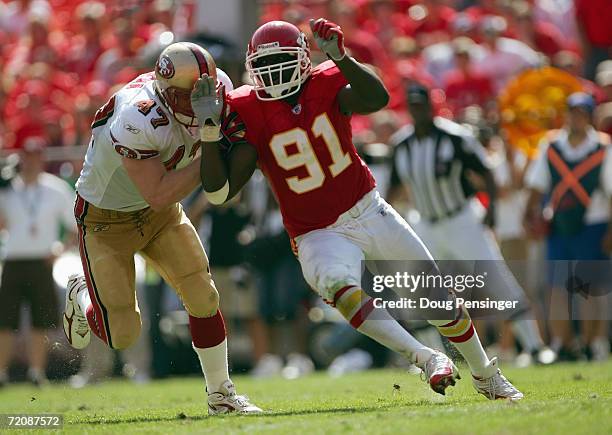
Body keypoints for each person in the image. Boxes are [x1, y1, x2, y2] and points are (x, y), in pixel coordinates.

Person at [197, 19, 523, 400]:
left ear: (304, 59)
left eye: (282, 61)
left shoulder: (326, 80)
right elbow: (220, 193)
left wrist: (341, 57)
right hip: (316, 231)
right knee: (342, 289)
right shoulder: (248, 109)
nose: (274, 72)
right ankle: (425, 357)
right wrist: (207, 127)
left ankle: (485, 373)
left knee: (437, 300)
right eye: (265, 65)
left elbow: (377, 99)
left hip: (367, 207)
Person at [63, 42, 261, 414]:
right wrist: (210, 143)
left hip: (161, 216)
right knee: (123, 334)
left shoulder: (214, 85)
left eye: (205, 93)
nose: (201, 104)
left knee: (204, 295)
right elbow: (159, 192)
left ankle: (221, 395)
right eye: (189, 97)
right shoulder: (136, 116)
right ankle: (83, 294)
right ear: (166, 92)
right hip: (105, 220)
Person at [524, 92, 611, 361]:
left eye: (582, 113)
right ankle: (562, 343)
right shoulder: (551, 145)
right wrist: (529, 215)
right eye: (573, 112)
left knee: (589, 287)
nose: (576, 118)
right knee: (557, 286)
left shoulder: (603, 147)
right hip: (560, 223)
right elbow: (537, 186)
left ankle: (593, 342)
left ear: (590, 117)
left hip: (593, 224)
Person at [0, 137, 76, 387]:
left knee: (40, 321)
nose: (31, 161)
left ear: (42, 158)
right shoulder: (8, 187)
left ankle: (37, 372)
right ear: (21, 158)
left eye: (35, 156)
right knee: (5, 321)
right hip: (13, 258)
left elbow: (74, 227)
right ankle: (1, 372)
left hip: (42, 261)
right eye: (27, 156)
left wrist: (59, 249)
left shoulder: (55, 189)